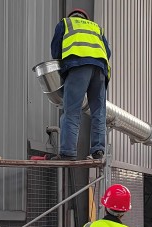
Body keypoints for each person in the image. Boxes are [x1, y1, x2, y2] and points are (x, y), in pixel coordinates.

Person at [49, 8, 111, 161]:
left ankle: (68, 152)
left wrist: (63, 67)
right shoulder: (96, 28)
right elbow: (107, 52)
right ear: (86, 18)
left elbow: (56, 49)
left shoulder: (65, 23)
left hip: (78, 66)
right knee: (99, 112)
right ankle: (98, 150)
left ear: (72, 16)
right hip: (100, 70)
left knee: (72, 110)